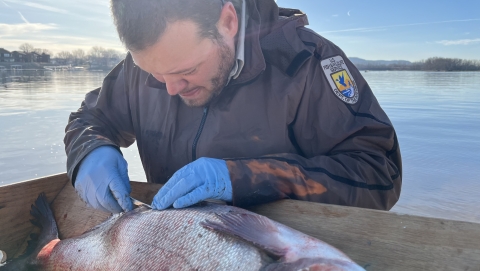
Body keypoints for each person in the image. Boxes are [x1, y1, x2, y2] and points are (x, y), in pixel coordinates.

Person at [64, 0, 402, 214]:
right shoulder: (140, 69)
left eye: (187, 70)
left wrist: (249, 178)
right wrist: (90, 151)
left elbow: (377, 176)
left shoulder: (307, 64)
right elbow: (91, 120)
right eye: (154, 73)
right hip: (176, 249)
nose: (169, 88)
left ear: (228, 21)